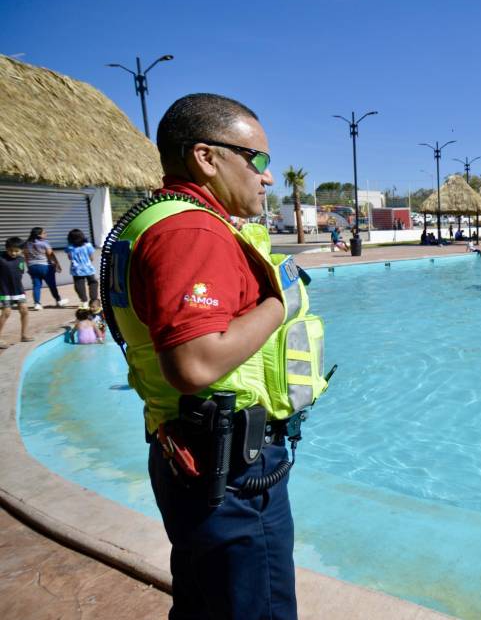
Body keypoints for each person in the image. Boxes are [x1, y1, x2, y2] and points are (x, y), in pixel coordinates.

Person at [101, 93, 330, 619]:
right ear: (206, 157)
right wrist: (279, 302)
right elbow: (195, 364)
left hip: (195, 454)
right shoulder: (192, 229)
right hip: (228, 470)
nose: (267, 177)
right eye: (258, 160)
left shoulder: (159, 218)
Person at [24, 227, 68, 310]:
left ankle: (37, 304)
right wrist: (57, 264)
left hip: (32, 266)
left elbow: (26, 257)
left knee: (36, 285)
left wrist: (29, 267)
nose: (46, 234)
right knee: (52, 285)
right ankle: (58, 301)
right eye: (44, 233)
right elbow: (50, 254)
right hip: (45, 266)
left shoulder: (27, 243)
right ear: (39, 235)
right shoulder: (44, 242)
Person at [0, 237, 32, 348]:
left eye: (16, 251)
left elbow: (20, 272)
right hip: (4, 290)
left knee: (24, 310)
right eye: (11, 250)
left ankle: (24, 335)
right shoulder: (1, 257)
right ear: (6, 249)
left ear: (21, 250)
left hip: (18, 290)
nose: (13, 253)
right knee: (6, 312)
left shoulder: (21, 259)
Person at [66, 229, 98, 307]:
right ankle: (94, 300)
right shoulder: (88, 245)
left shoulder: (70, 247)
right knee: (93, 283)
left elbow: (70, 257)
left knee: (79, 285)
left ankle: (84, 301)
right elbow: (91, 257)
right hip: (88, 268)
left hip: (76, 269)